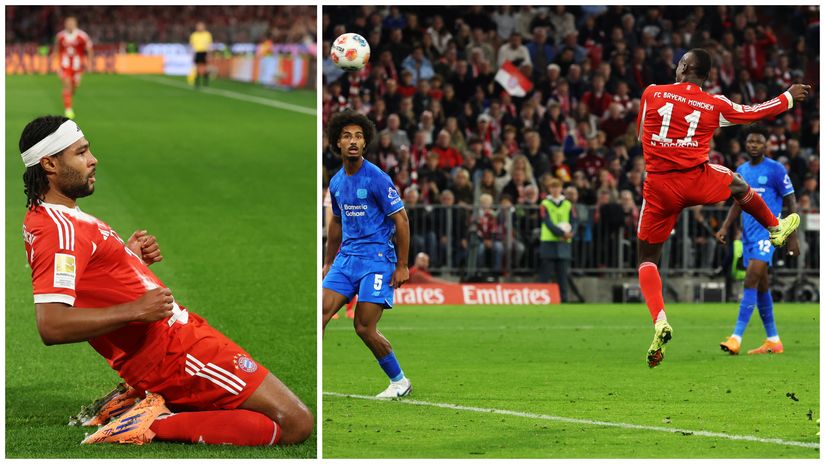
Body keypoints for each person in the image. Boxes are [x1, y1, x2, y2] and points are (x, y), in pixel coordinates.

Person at [17, 116, 313, 445]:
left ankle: (143, 401)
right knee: (294, 423)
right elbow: (52, 325)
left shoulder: (57, 217)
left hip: (175, 340)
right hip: (172, 354)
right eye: (81, 153)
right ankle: (147, 423)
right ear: (50, 164)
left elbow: (88, 278)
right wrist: (135, 310)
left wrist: (127, 258)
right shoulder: (59, 230)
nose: (93, 159)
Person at [635, 48, 808, 368]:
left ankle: (660, 320)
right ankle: (775, 226)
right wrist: (787, 98)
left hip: (658, 185)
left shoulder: (652, 93)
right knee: (738, 184)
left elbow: (640, 134)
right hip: (696, 180)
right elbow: (753, 112)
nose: (676, 66)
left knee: (647, 259)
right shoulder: (715, 105)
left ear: (685, 67)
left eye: (679, 63)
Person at [322, 110, 412, 398]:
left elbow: (402, 220)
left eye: (358, 137)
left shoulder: (377, 178)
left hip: (377, 260)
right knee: (319, 314)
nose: (353, 141)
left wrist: (402, 265)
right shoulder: (336, 182)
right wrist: (328, 261)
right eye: (347, 136)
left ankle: (399, 382)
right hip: (346, 259)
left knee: (363, 327)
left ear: (365, 143)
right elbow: (336, 221)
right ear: (337, 143)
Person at [715, 125, 800, 355]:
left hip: (769, 234)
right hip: (749, 235)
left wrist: (792, 236)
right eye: (750, 141)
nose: (754, 145)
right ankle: (773, 339)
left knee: (750, 280)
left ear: (766, 145)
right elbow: (737, 202)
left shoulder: (776, 169)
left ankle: (736, 337)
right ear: (746, 144)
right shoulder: (741, 169)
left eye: (758, 142)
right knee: (762, 286)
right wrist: (725, 226)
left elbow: (791, 201)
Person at [539, 178, 576, 302]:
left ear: (561, 189)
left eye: (557, 187)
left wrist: (571, 233)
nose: (555, 190)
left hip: (564, 243)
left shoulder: (567, 204)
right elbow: (547, 221)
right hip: (549, 242)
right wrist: (561, 233)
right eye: (552, 187)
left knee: (563, 274)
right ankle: (542, 298)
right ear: (549, 189)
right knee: (546, 273)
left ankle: (563, 299)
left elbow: (574, 221)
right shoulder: (545, 204)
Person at [53, 17, 93, 119]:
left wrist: (90, 63)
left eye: (72, 23)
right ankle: (68, 110)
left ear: (75, 24)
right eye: (68, 23)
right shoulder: (60, 36)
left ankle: (69, 98)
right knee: (67, 85)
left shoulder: (82, 36)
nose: (70, 25)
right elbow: (56, 50)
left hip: (78, 66)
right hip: (64, 66)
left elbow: (89, 49)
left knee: (74, 88)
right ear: (65, 24)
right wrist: (55, 64)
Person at [189, 21, 213, 87]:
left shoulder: (207, 34)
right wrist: (192, 54)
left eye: (201, 26)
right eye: (198, 26)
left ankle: (205, 82)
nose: (200, 27)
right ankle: (197, 82)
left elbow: (209, 45)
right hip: (197, 52)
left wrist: (209, 54)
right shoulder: (194, 35)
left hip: (204, 52)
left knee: (205, 68)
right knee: (197, 68)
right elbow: (192, 45)